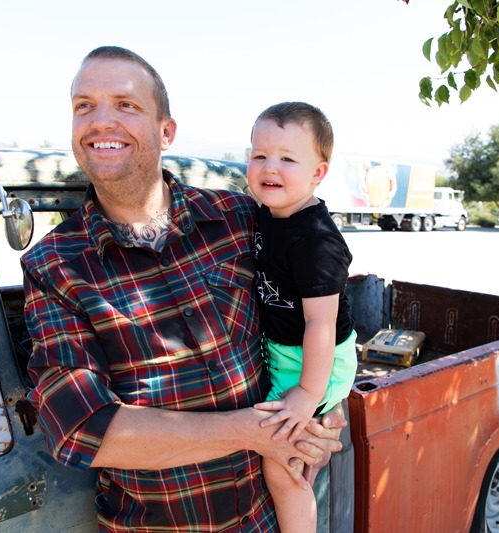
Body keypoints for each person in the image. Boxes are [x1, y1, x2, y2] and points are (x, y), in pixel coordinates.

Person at [21, 47, 345, 532]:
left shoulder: (239, 219)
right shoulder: (54, 266)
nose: (101, 121)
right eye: (83, 105)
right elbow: (82, 429)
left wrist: (323, 413)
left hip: (262, 519)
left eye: (126, 105)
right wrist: (261, 433)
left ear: (166, 131)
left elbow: (317, 309)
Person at [247, 102, 357, 533]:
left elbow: (321, 324)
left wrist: (309, 394)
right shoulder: (266, 215)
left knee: (282, 465)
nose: (270, 167)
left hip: (315, 361)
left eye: (288, 159)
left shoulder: (315, 240)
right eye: (259, 155)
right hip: (288, 350)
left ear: (318, 173)